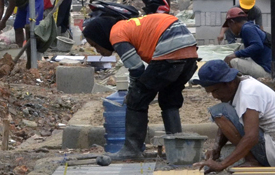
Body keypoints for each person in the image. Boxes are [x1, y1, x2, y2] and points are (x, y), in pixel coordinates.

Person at [82, 13, 198, 160]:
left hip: (170, 49)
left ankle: (132, 149)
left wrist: (133, 93)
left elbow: (136, 68)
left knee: (136, 99)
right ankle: (176, 147)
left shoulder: (116, 34)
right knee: (169, 98)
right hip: (189, 51)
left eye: (95, 45)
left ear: (101, 36)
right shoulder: (126, 27)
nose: (97, 50)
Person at [193, 60, 275, 172]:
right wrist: (216, 149)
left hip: (273, 153)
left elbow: (252, 137)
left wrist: (222, 165)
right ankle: (252, 159)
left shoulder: (248, 92)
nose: (214, 96)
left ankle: (253, 161)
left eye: (215, 91)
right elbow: (229, 122)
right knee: (222, 110)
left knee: (220, 111)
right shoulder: (238, 88)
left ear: (229, 83)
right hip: (270, 150)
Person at [222, 7, 271, 79]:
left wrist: (235, 55)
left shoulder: (247, 29)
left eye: (229, 26)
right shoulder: (250, 26)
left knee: (233, 61)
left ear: (232, 22)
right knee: (241, 47)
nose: (230, 29)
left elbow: (258, 45)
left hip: (268, 72)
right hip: (268, 66)